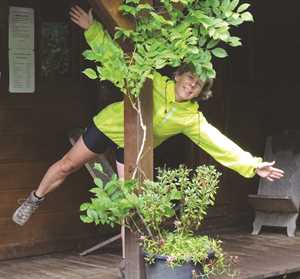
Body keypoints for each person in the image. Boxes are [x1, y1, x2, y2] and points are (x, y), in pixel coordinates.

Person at [12, 5, 284, 226]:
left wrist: (252, 164)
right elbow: (117, 62)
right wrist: (93, 29)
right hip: (108, 126)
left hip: (133, 147)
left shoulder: (191, 118)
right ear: (178, 75)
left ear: (201, 91)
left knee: (128, 204)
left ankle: (125, 261)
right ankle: (35, 199)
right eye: (189, 77)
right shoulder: (151, 82)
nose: (191, 85)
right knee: (66, 165)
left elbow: (218, 142)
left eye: (198, 84)